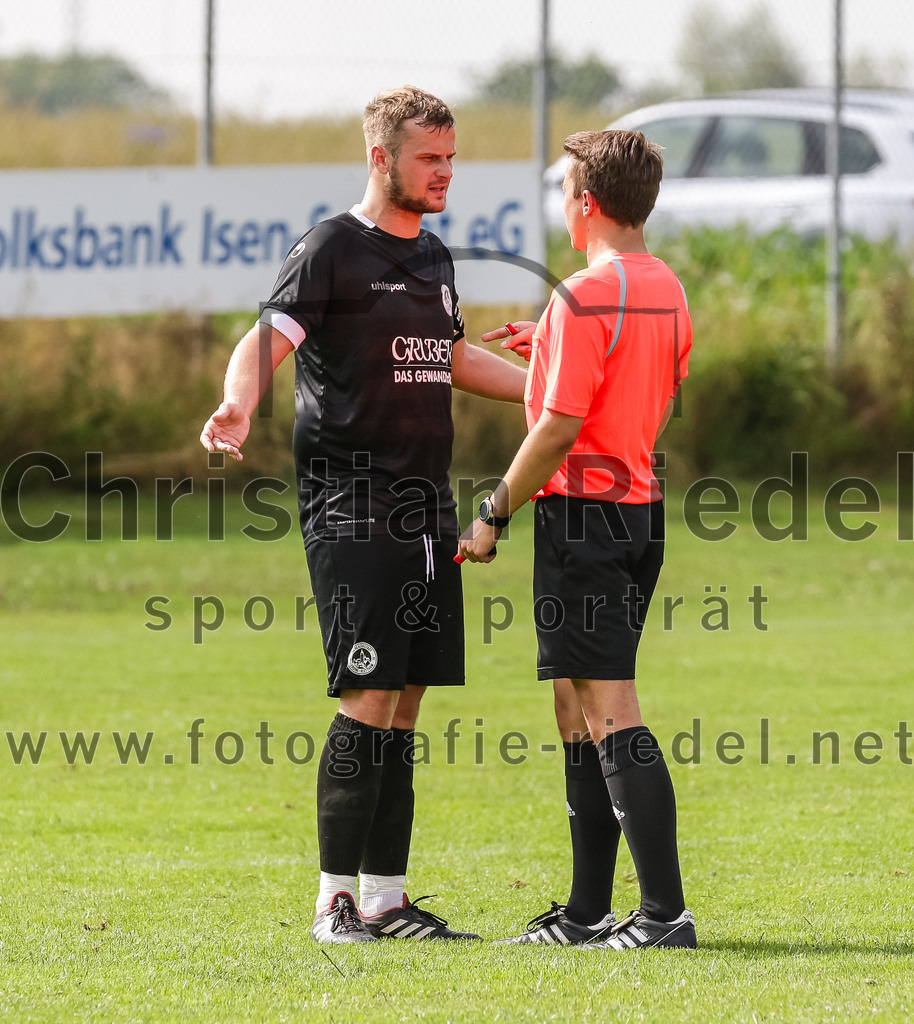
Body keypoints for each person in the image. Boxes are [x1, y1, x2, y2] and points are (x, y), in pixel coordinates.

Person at [200, 86, 527, 944]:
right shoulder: (332, 250)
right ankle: (334, 901)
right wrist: (239, 403)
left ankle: (386, 897)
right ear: (382, 158)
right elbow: (264, 338)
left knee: (407, 699)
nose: (445, 172)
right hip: (354, 507)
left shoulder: (436, 258)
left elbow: (450, 356)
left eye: (452, 158)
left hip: (427, 511)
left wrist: (549, 393)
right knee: (368, 694)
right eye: (431, 159)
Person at [457, 129, 695, 950]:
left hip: (582, 518)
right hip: (635, 512)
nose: (561, 206)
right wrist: (553, 344)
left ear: (586, 202)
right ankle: (587, 912)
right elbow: (637, 384)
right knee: (574, 709)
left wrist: (492, 512)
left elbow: (560, 426)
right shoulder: (666, 287)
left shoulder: (584, 296)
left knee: (609, 708)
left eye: (564, 193)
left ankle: (665, 916)